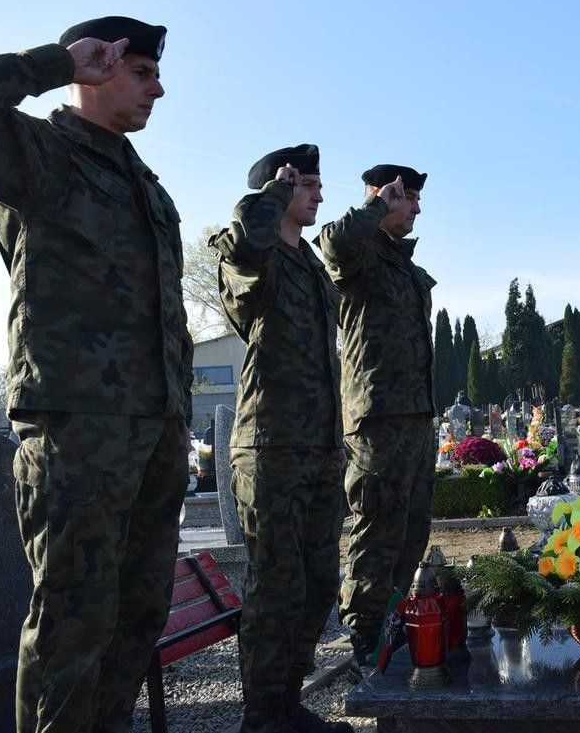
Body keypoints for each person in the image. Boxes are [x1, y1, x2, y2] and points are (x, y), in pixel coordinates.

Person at [0, 17, 193, 733]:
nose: (159, 88)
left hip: (153, 433)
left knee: (135, 616)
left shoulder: (147, 186)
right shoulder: (40, 150)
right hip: (76, 430)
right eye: (143, 72)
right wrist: (53, 64)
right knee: (71, 624)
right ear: (100, 67)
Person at [210, 145, 350, 733]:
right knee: (275, 587)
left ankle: (288, 702)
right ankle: (262, 717)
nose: (319, 194)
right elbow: (244, 249)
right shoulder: (249, 254)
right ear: (279, 186)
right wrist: (268, 195)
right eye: (308, 184)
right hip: (269, 447)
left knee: (319, 585)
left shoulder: (313, 267)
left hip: (317, 447)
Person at [315, 164, 436, 670]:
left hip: (416, 416)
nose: (416, 207)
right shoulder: (359, 255)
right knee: (377, 525)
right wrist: (376, 206)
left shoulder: (403, 265)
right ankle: (364, 631)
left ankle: (390, 618)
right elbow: (334, 244)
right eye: (407, 197)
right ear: (383, 197)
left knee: (412, 529)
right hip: (377, 417)